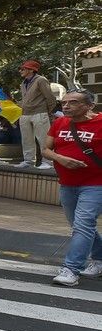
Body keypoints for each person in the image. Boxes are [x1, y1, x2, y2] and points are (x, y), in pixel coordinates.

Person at [44, 89, 102, 286]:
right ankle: (100, 259)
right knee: (79, 225)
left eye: (73, 103)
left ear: (89, 106)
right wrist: (61, 159)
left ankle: (71, 269)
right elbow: (46, 149)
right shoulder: (59, 123)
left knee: (83, 224)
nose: (66, 106)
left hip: (96, 184)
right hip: (67, 183)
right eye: (64, 103)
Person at [17, 59, 56, 169]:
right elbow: (26, 99)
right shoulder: (23, 83)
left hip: (40, 112)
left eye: (23, 69)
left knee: (43, 139)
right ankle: (28, 161)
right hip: (25, 114)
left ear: (31, 70)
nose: (20, 70)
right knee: (26, 139)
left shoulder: (41, 80)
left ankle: (48, 162)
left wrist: (48, 112)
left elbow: (50, 98)